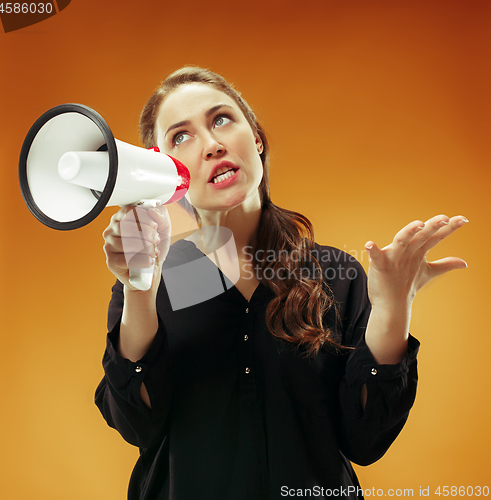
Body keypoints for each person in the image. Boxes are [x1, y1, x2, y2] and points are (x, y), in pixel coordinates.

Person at [95, 66, 468, 500]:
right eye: (181, 137)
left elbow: (365, 440)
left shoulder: (335, 273)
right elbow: (137, 424)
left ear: (254, 137)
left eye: (221, 120)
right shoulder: (156, 277)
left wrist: (393, 308)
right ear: (167, 175)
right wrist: (141, 284)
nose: (212, 145)